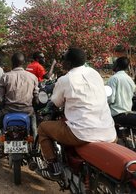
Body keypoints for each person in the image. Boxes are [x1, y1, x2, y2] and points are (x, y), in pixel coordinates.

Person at [37, 47, 116, 181]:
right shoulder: (95, 74)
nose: (62, 63)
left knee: (43, 128)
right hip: (109, 132)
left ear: (68, 63)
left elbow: (56, 102)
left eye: (63, 60)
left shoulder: (65, 79)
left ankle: (53, 168)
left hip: (81, 133)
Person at [0, 53, 39, 162]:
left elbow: (0, 99)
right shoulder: (33, 77)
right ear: (23, 63)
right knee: (35, 132)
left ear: (12, 63)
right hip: (28, 111)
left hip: (9, 111)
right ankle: (35, 155)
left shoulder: (6, 76)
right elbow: (36, 98)